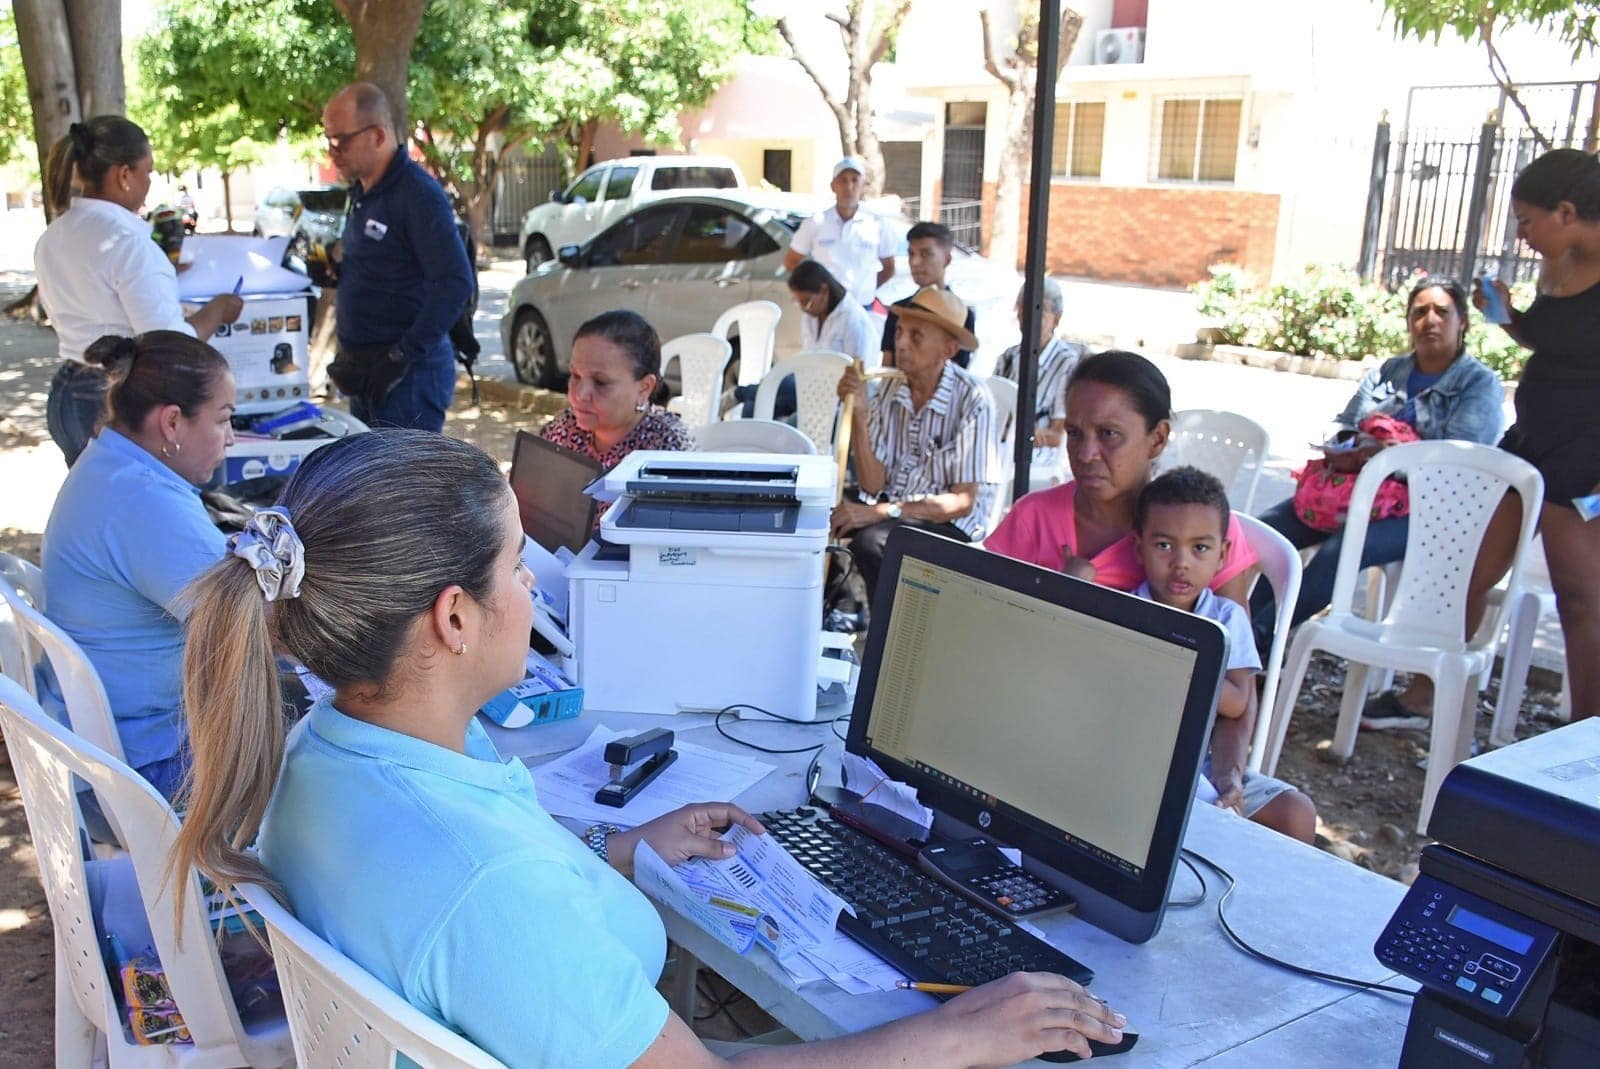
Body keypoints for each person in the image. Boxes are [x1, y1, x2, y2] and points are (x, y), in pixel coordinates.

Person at [168, 429, 1128, 1067]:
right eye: (514, 567)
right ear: (454, 618)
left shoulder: (324, 752)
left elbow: (477, 920)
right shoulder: (488, 887)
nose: (535, 591)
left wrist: (620, 852)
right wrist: (959, 1032)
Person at [1247, 277, 1504, 723]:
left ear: (1462, 321)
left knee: (1341, 552)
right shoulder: (1389, 372)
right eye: (1419, 311)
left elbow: (1460, 460)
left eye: (1442, 312)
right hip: (1350, 494)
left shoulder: (1477, 385)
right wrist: (1352, 449)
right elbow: (1345, 424)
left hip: (1425, 509)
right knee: (1266, 534)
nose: (1430, 321)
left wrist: (1389, 457)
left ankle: (1256, 641)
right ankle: (1237, 629)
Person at [41, 331, 234, 831]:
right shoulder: (143, 500)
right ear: (172, 421)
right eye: (224, 419)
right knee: (339, 758)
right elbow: (261, 627)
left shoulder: (111, 464)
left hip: (105, 755)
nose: (231, 438)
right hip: (143, 775)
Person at [1435, 149, 1600, 727]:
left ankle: (1585, 736)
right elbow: (1552, 341)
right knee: (1465, 573)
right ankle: (1421, 696)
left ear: (1566, 210)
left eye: (1527, 221)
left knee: (1581, 603)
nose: (1521, 235)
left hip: (1587, 455)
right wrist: (1507, 316)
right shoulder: (1562, 264)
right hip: (1530, 438)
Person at [33, 117, 243, 466]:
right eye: (148, 172)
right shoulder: (130, 243)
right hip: (112, 399)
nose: (150, 182)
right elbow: (172, 345)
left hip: (67, 391)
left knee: (94, 504)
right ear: (123, 175)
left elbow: (97, 302)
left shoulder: (54, 235)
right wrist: (219, 309)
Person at [1132, 468, 1317, 844]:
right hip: (1141, 766)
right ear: (1139, 548)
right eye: (1164, 545)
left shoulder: (1225, 617)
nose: (1181, 563)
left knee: (1297, 813)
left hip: (1206, 762)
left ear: (1223, 555)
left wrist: (1176, 670)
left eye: (1200, 548)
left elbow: (1236, 702)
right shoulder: (1128, 611)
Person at [985, 350, 1258, 599]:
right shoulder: (1034, 518)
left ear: (1158, 439)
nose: (1085, 454)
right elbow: (986, 610)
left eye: (1109, 434)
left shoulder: (1204, 527)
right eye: (1075, 433)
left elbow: (1234, 645)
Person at [833, 286, 1000, 606]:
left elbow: (962, 502)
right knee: (827, 515)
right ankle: (841, 608)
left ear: (948, 350)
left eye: (916, 336)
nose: (901, 343)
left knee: (873, 541)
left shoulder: (973, 399)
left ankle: (893, 630)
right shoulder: (890, 388)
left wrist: (878, 512)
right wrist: (860, 415)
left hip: (950, 523)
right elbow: (872, 483)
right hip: (897, 508)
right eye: (899, 332)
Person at [322, 82, 473, 432]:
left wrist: (401, 355)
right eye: (328, 140)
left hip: (408, 379)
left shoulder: (418, 194)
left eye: (341, 140)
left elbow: (455, 283)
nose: (333, 152)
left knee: (403, 486)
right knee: (369, 485)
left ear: (376, 135)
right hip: (365, 373)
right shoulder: (362, 191)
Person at [539, 310, 694, 470]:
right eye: (575, 376)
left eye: (600, 382)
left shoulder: (670, 451)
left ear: (644, 388)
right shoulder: (565, 429)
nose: (580, 395)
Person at [783, 156, 897, 309]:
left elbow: (889, 268)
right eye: (842, 180)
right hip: (826, 309)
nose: (849, 186)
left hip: (862, 307)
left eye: (855, 180)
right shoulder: (816, 222)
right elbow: (791, 261)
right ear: (833, 185)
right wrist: (813, 289)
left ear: (863, 185)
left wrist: (866, 290)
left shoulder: (878, 224)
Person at [994, 278, 1086, 448]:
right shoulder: (1008, 357)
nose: (1029, 315)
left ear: (1056, 320)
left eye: (1039, 309)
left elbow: (1058, 435)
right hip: (998, 448)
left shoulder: (1067, 364)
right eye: (1024, 307)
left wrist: (1021, 433)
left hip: (1035, 458)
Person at [879, 222, 977, 369]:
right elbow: (887, 369)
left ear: (947, 259)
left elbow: (958, 373)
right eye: (911, 254)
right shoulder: (898, 310)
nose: (915, 262)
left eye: (925, 254)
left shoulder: (962, 315)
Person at [788, 259, 879, 365]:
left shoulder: (853, 319)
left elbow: (857, 372)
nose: (803, 308)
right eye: (798, 302)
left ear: (824, 291)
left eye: (806, 302)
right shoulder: (810, 314)